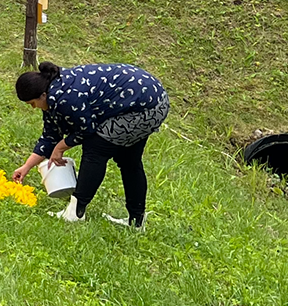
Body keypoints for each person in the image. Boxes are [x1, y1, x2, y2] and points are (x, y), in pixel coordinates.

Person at [10, 61, 169, 227]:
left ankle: (75, 213)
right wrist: (26, 167)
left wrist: (61, 147)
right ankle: (136, 222)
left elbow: (86, 130)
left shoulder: (65, 97)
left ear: (42, 95)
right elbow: (50, 135)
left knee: (96, 149)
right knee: (129, 161)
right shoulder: (53, 92)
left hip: (145, 105)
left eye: (32, 104)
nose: (34, 108)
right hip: (147, 98)